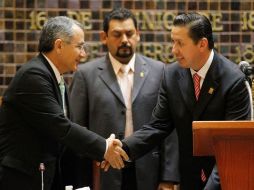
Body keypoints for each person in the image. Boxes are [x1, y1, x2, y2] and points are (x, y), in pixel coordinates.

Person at [117, 12, 251, 190]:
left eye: (180, 43)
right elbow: (158, 126)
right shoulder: (172, 75)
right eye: (173, 41)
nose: (173, 50)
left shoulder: (233, 80)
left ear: (202, 44)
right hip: (189, 178)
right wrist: (123, 148)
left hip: (225, 178)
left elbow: (232, 147)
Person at [0, 16, 128, 190]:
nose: (83, 54)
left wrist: (100, 153)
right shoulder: (34, 76)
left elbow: (67, 130)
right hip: (23, 179)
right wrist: (103, 148)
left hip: (46, 176)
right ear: (59, 45)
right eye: (79, 46)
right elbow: (61, 127)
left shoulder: (57, 79)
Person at [63, 8, 180, 190]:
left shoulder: (160, 72)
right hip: (102, 173)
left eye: (129, 33)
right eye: (117, 34)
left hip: (149, 171)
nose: (124, 40)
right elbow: (77, 129)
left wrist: (169, 178)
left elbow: (169, 131)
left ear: (138, 35)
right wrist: (81, 182)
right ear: (104, 37)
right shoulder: (86, 75)